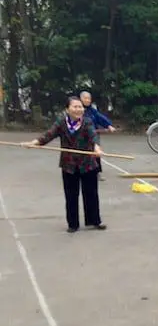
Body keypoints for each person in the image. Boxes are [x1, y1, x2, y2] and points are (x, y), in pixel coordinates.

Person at [22, 96, 106, 233]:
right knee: (71, 195)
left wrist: (97, 148)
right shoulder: (61, 123)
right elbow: (48, 135)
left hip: (87, 163)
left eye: (80, 107)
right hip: (69, 164)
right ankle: (73, 224)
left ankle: (94, 220)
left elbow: (93, 136)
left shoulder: (87, 122)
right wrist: (33, 143)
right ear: (67, 109)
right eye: (75, 106)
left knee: (91, 193)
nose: (78, 109)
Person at [79, 91, 116, 181]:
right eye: (85, 98)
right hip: (80, 136)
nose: (87, 100)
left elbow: (100, 118)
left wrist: (108, 125)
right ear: (81, 99)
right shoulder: (78, 109)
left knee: (96, 153)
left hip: (93, 135)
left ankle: (97, 172)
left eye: (89, 98)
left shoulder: (92, 111)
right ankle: (79, 172)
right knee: (81, 154)